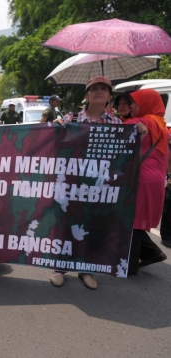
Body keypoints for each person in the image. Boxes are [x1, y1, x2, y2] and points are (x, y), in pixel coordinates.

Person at [51, 76, 122, 290]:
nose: (99, 91)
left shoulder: (117, 124)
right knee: (66, 223)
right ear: (86, 95)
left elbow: (123, 154)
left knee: (92, 226)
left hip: (99, 187)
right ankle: (59, 268)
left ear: (110, 96)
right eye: (94, 88)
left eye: (103, 89)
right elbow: (56, 143)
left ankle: (86, 270)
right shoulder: (71, 118)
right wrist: (55, 127)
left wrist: (137, 133)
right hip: (72, 183)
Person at [122, 89, 169, 274]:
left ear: (146, 103)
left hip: (140, 178)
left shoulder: (140, 122)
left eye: (134, 102)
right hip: (157, 179)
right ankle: (152, 253)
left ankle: (130, 266)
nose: (130, 106)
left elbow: (110, 132)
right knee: (137, 219)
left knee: (132, 221)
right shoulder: (163, 125)